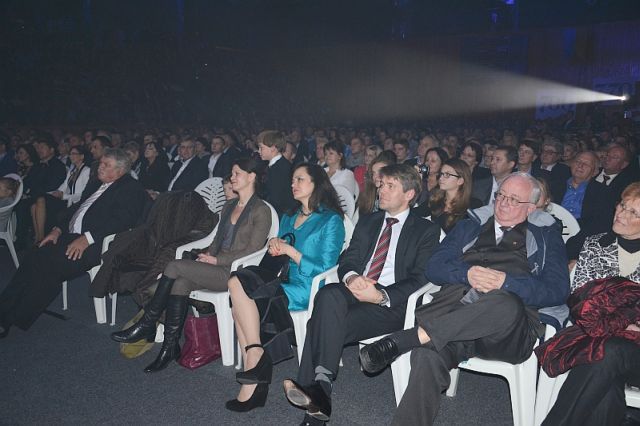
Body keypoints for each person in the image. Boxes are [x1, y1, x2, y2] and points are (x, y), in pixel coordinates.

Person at [359, 172, 569, 425]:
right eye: (501, 195)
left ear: (531, 208)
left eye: (514, 199)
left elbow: (558, 289)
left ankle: (410, 338)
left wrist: (506, 283)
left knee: (504, 301)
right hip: (455, 320)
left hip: (507, 332)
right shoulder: (470, 226)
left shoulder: (546, 236)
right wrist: (466, 274)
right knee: (427, 356)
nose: (503, 203)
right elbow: (434, 267)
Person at [282, 164, 441, 425]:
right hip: (355, 290)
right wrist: (353, 277)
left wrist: (380, 295)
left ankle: (316, 401)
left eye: (390, 186)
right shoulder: (369, 221)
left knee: (320, 321)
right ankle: (321, 387)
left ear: (409, 194)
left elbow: (421, 277)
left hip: (390, 305)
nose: (382, 190)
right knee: (328, 295)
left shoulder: (425, 230)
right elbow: (349, 260)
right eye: (381, 185)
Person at [111, 158, 272, 372]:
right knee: (179, 284)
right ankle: (169, 347)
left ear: (251, 177)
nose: (232, 178)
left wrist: (217, 260)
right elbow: (216, 241)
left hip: (236, 273)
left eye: (237, 173)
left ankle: (147, 323)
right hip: (215, 267)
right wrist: (208, 255)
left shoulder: (261, 210)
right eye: (232, 173)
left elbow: (253, 250)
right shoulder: (229, 206)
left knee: (174, 266)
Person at [226, 163, 346, 412]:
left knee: (241, 296)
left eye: (299, 179)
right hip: (282, 280)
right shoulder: (289, 217)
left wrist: (291, 251)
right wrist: (274, 245)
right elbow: (278, 254)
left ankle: (254, 375)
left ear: (316, 183)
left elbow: (326, 267)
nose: (293, 184)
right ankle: (256, 356)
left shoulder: (331, 220)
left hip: (309, 287)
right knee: (236, 283)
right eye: (292, 180)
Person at [0, 149, 148, 337]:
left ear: (120, 170)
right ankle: (7, 311)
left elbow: (121, 221)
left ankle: (10, 317)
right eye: (101, 163)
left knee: (46, 263)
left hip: (97, 243)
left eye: (106, 165)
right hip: (72, 236)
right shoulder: (97, 183)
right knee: (35, 255)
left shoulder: (130, 188)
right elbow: (77, 209)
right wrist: (57, 230)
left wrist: (87, 238)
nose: (100, 167)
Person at [541, 182, 640, 426]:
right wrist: (625, 322)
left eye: (633, 212)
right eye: (622, 205)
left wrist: (614, 317)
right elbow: (581, 304)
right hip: (597, 340)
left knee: (603, 351)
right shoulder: (595, 245)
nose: (621, 214)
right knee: (605, 362)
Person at [559, 151, 615, 262]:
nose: (580, 165)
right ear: (571, 164)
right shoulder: (555, 185)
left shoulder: (603, 193)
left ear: (595, 172)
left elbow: (600, 225)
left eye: (586, 164)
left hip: (580, 242)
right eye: (578, 161)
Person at [30, 145, 91, 243]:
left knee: (41, 200)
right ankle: (38, 236)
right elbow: (64, 185)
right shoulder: (72, 171)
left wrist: (64, 196)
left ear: (82, 156)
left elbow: (83, 195)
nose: (71, 156)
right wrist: (57, 192)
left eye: (74, 154)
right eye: (70, 154)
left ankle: (40, 238)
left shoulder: (86, 171)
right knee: (34, 206)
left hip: (75, 203)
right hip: (65, 200)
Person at [413, 158, 482, 233]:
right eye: (441, 174)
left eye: (447, 175)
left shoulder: (471, 205)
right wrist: (415, 184)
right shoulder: (436, 198)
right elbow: (413, 214)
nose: (441, 178)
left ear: (460, 181)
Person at [258, 130, 296, 216]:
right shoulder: (273, 165)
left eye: (261, 148)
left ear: (273, 148)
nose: (259, 151)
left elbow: (277, 198)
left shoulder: (282, 168)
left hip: (281, 215)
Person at [356, 151, 395, 216]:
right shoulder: (368, 193)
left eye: (380, 172)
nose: (376, 177)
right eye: (374, 173)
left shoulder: (394, 196)